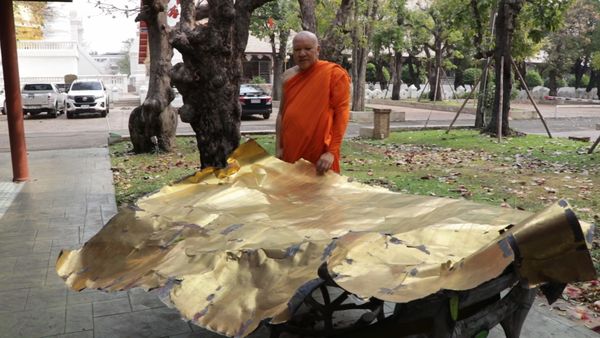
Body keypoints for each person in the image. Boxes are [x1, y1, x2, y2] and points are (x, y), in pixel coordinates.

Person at [275, 31, 351, 175]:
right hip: (291, 150)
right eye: (297, 50)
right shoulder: (287, 76)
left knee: (321, 196)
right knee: (291, 195)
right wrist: (279, 147)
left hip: (320, 154)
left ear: (318, 49)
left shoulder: (334, 74)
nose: (302, 53)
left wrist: (331, 152)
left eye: (308, 49)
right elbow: (281, 114)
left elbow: (342, 116)